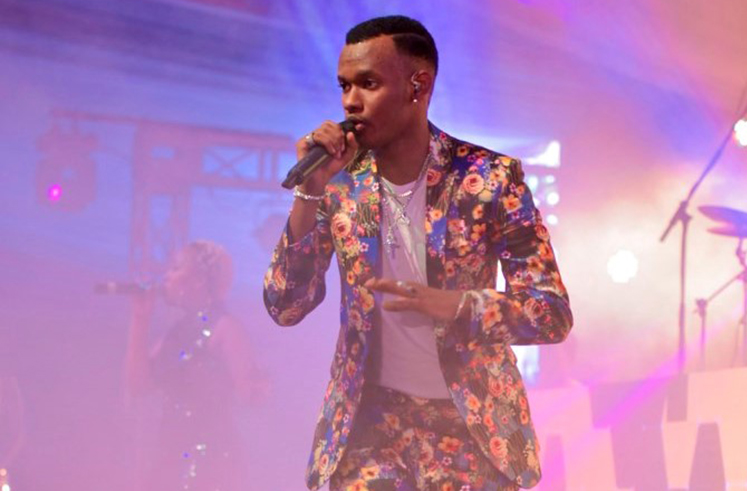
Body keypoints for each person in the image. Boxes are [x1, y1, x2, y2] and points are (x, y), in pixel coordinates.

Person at [263, 15, 573, 491]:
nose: (350, 101)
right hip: (370, 427)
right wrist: (309, 192)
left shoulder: (488, 179)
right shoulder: (338, 182)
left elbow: (551, 313)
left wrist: (456, 306)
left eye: (368, 84)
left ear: (418, 85)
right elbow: (285, 305)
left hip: (469, 427)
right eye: (344, 85)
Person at [125, 240, 265, 491]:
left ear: (199, 280)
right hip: (169, 455)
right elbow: (138, 385)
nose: (166, 276)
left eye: (176, 268)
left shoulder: (225, 328)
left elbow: (253, 395)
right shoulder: (176, 334)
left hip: (211, 461)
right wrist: (140, 319)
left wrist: (255, 384)